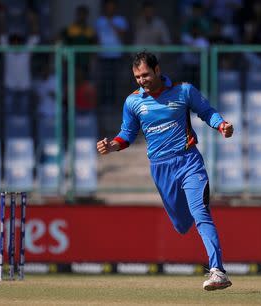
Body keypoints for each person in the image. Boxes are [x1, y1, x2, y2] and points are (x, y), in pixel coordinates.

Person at [97, 51, 234, 291]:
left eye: (146, 74)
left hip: (189, 161)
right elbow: (127, 134)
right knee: (182, 225)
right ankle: (192, 216)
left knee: (201, 214)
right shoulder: (133, 102)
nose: (142, 80)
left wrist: (221, 124)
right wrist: (112, 146)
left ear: (157, 70)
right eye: (137, 77)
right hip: (161, 169)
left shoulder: (183, 91)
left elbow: (206, 111)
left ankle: (218, 271)